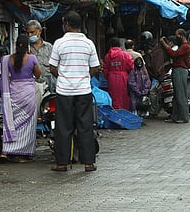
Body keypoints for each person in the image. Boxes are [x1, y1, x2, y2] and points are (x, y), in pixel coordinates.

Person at [49, 10, 99, 172]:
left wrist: (64, 76)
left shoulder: (59, 43)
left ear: (67, 24)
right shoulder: (89, 43)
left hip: (64, 91)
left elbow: (52, 67)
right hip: (84, 90)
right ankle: (88, 163)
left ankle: (62, 163)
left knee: (63, 127)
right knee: (85, 126)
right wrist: (84, 77)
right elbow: (95, 67)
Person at [0, 35, 41, 163]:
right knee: (27, 125)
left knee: (12, 122)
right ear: (28, 45)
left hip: (13, 93)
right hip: (27, 94)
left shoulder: (7, 59)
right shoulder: (32, 58)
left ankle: (6, 151)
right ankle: (23, 153)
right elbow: (38, 75)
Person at [159, 28, 190, 123]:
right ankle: (175, 116)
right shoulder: (182, 46)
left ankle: (184, 117)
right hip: (177, 70)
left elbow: (174, 54)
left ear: (181, 35)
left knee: (180, 94)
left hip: (180, 70)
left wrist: (164, 45)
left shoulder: (185, 46)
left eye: (177, 35)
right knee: (176, 95)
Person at [26, 20, 55, 112]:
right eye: (28, 33)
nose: (30, 35)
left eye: (32, 32)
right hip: (32, 87)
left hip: (49, 86)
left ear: (39, 31)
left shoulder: (49, 47)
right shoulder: (26, 49)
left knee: (48, 112)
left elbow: (54, 66)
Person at [103, 37, 134, 110]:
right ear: (120, 45)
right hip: (123, 77)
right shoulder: (125, 55)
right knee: (124, 96)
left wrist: (108, 77)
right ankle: (124, 113)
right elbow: (131, 66)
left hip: (112, 78)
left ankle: (115, 113)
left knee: (113, 96)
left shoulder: (108, 56)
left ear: (110, 45)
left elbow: (105, 69)